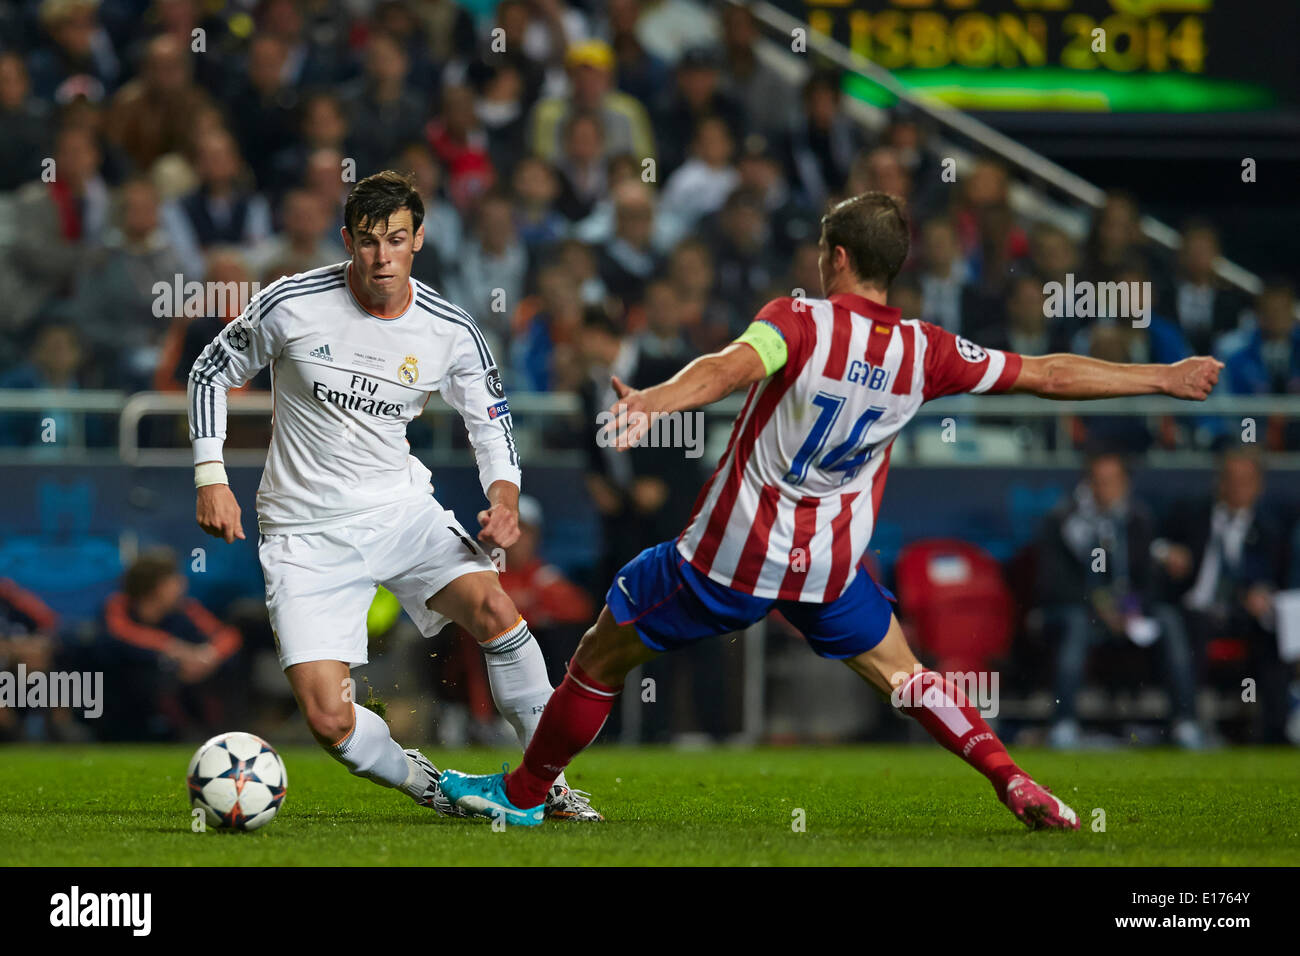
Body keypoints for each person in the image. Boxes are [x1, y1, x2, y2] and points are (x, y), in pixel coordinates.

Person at [437, 191, 1223, 827]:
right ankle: (1014, 779)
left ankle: (529, 790)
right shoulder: (928, 350)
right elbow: (1049, 373)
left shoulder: (799, 318)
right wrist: (1164, 378)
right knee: (907, 676)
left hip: (733, 556)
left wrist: (656, 398)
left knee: (602, 654)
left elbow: (731, 365)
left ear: (836, 258)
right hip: (828, 566)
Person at [186, 170, 600, 822]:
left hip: (401, 512)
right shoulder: (293, 303)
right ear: (348, 240)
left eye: (398, 240)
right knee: (328, 718)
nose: (383, 257)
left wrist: (506, 498)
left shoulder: (449, 328)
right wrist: (211, 475)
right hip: (303, 530)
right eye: (371, 241)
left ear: (420, 241)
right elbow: (211, 370)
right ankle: (430, 785)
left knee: (495, 610)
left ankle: (546, 784)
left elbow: (490, 422)